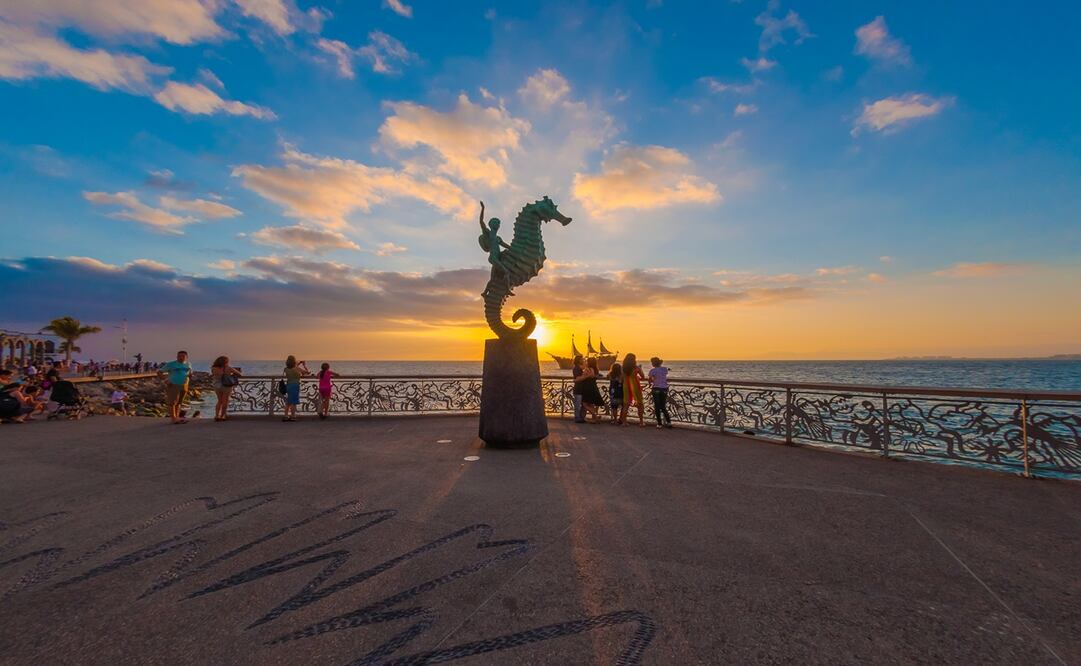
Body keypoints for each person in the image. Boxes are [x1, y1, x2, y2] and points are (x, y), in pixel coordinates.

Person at [158, 350, 193, 425]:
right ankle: (173, 419)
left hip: (184, 385)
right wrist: (166, 381)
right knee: (172, 402)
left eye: (183, 356)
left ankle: (177, 417)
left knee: (179, 402)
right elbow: (159, 372)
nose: (181, 357)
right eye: (179, 356)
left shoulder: (188, 364)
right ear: (176, 356)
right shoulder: (171, 364)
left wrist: (189, 376)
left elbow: (189, 372)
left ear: (186, 357)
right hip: (173, 384)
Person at [210, 356, 242, 422]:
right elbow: (240, 374)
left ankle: (216, 415)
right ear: (226, 362)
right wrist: (231, 374)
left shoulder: (213, 368)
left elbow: (214, 375)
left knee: (219, 401)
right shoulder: (228, 368)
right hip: (226, 386)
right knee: (225, 401)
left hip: (217, 385)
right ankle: (223, 415)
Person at [620, 353, 646, 427]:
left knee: (626, 404)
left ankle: (624, 422)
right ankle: (641, 422)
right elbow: (643, 376)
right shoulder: (636, 368)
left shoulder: (623, 368)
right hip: (635, 386)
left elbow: (621, 378)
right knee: (640, 404)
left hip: (626, 386)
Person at [282, 356, 309, 422]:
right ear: (294, 361)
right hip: (295, 385)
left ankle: (286, 416)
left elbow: (292, 367)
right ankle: (293, 416)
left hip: (288, 385)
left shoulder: (285, 369)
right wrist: (304, 365)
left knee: (289, 401)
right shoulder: (296, 368)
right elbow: (306, 372)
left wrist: (298, 363)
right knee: (293, 402)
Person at [648, 357, 672, 428]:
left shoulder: (652, 370)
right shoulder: (664, 369)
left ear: (653, 363)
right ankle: (668, 422)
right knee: (663, 406)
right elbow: (666, 371)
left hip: (656, 389)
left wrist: (653, 380)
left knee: (657, 406)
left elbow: (650, 380)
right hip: (664, 388)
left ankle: (659, 423)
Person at [580, 357, 605, 421]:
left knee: (584, 403)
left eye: (587, 361)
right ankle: (594, 418)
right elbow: (595, 375)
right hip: (593, 386)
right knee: (591, 403)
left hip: (588, 387)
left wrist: (583, 374)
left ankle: (595, 415)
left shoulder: (588, 369)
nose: (586, 362)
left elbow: (586, 376)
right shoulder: (595, 369)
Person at [571, 355, 587, 423]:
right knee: (578, 404)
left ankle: (581, 417)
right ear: (578, 360)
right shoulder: (576, 368)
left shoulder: (579, 368)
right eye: (582, 359)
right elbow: (577, 379)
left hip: (581, 388)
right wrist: (586, 376)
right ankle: (577, 417)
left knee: (583, 404)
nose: (583, 360)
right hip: (578, 388)